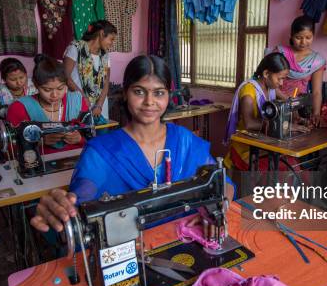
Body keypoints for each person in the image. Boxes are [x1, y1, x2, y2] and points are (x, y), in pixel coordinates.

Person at [31, 55, 234, 233]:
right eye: (139, 91)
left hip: (186, 237)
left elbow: (223, 183)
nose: (149, 101)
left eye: (159, 93)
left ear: (168, 97)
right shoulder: (102, 151)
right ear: (125, 93)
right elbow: (83, 197)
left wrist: (215, 207)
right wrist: (63, 208)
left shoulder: (185, 140)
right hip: (132, 250)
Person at [224, 52, 308, 170]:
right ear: (266, 73)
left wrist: (297, 116)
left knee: (293, 166)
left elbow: (289, 102)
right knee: (281, 171)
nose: (281, 83)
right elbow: (249, 123)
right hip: (245, 149)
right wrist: (285, 126)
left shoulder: (272, 88)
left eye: (283, 79)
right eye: (279, 78)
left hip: (265, 145)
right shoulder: (248, 92)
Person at [6, 54, 89, 154]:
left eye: (60, 88)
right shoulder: (19, 108)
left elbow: (91, 135)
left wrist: (80, 138)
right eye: (47, 89)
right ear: (35, 84)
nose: (55, 95)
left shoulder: (77, 101)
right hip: (39, 164)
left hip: (76, 159)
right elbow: (10, 146)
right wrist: (39, 141)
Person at [267, 15, 327, 126]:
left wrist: (316, 114)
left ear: (313, 36)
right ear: (291, 36)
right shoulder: (280, 52)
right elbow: (268, 81)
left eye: (308, 37)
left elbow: (317, 92)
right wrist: (287, 100)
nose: (303, 42)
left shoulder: (316, 61)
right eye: (298, 38)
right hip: (273, 101)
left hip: (298, 107)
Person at [63, 20, 117, 122]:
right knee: (78, 134)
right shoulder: (75, 48)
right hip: (77, 101)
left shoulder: (105, 55)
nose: (112, 44)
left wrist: (99, 105)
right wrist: (84, 98)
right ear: (102, 34)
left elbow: (106, 82)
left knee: (100, 135)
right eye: (111, 39)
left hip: (99, 105)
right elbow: (66, 76)